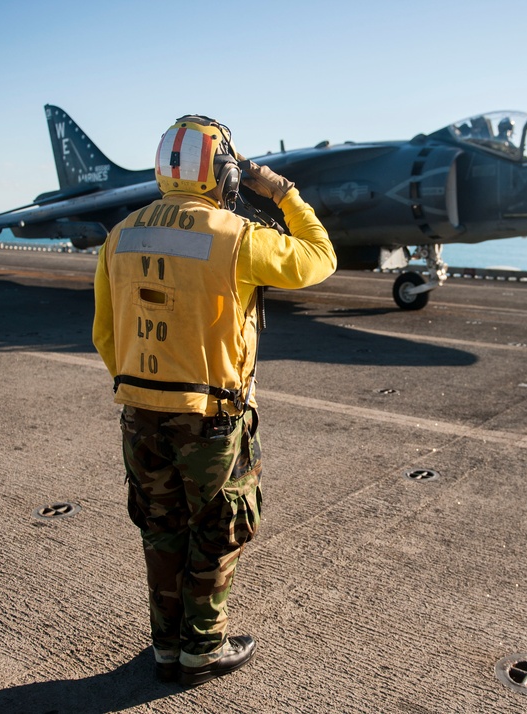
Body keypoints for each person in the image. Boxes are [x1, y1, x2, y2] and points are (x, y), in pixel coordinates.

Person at [92, 114, 336, 686]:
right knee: (220, 526)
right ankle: (202, 647)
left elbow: (106, 333)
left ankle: (165, 646)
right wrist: (282, 191)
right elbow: (319, 257)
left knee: (161, 526)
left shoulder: (119, 235)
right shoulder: (237, 237)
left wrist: (142, 387)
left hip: (139, 413)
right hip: (211, 419)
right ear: (222, 173)